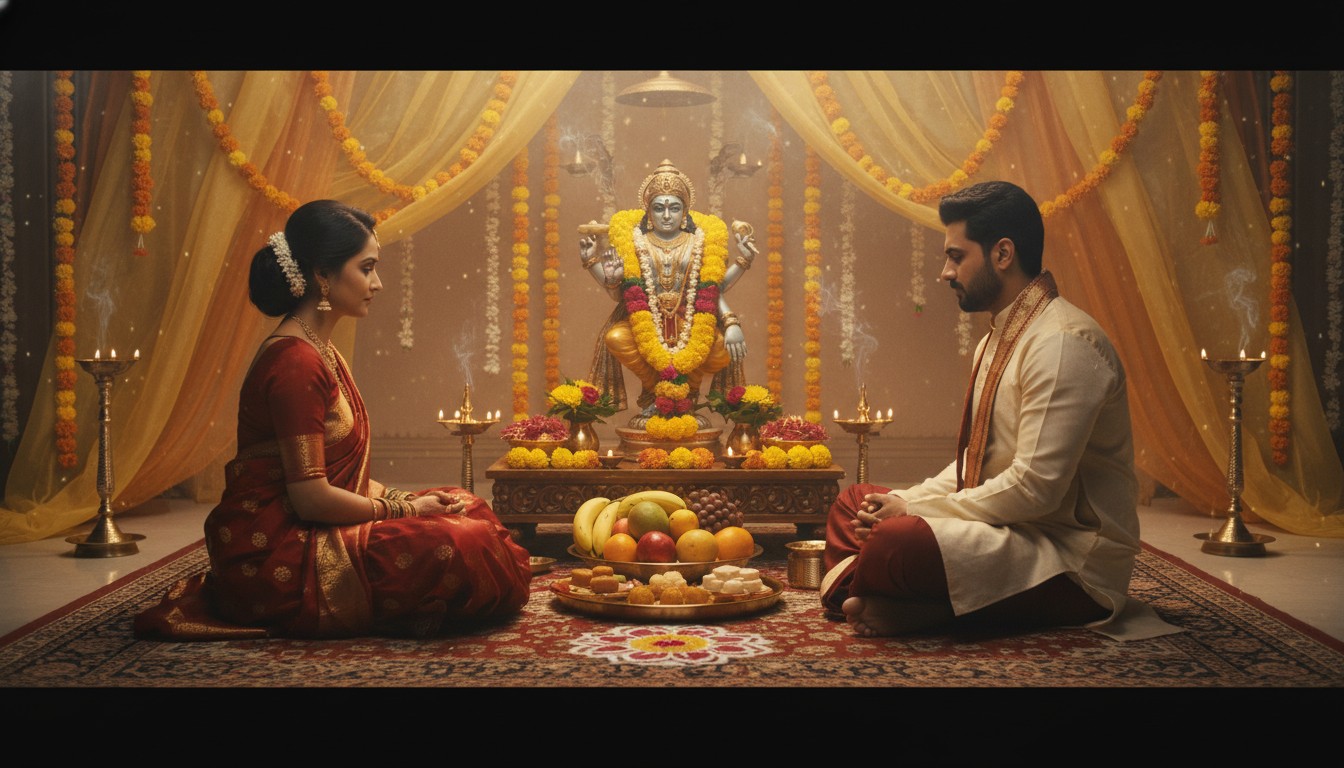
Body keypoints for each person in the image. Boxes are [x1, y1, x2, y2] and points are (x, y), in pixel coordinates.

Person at [135, 200, 532, 640]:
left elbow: (341, 483)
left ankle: (421, 598)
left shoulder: (320, 350)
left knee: (465, 503)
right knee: (461, 542)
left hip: (313, 524)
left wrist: (410, 501)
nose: (377, 283)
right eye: (366, 268)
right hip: (279, 551)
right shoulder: (295, 363)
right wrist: (405, 508)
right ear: (322, 276)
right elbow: (310, 498)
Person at [820, 181, 1176, 641]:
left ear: (1002, 254)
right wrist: (901, 504)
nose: (945, 273)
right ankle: (898, 601)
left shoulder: (1063, 343)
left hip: (1063, 552)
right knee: (855, 503)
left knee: (895, 541)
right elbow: (975, 465)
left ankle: (925, 611)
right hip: (1003, 529)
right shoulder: (995, 339)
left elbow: (1035, 491)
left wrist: (911, 511)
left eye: (955, 255)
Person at [579, 159, 757, 428]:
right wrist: (592, 264)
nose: (666, 215)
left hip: (692, 322)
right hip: (647, 324)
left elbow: (712, 287)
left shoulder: (698, 241)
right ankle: (657, 398)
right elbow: (620, 296)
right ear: (648, 212)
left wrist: (742, 263)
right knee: (615, 337)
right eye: (658, 208)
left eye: (674, 208)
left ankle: (687, 400)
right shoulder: (636, 243)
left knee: (722, 348)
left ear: (685, 212)